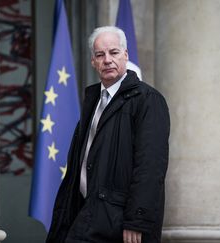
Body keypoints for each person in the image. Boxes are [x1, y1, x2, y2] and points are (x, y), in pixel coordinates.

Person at [46, 26, 170, 243]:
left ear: (125, 55)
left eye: (114, 52)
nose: (107, 60)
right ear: (93, 61)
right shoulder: (92, 100)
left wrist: (136, 221)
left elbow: (150, 166)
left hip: (120, 223)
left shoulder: (148, 100)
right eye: (100, 55)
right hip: (85, 211)